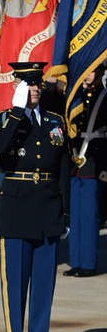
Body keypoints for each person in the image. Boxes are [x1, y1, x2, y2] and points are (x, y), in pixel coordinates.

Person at [0, 62, 70, 332]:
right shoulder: (3, 120)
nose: (35, 88)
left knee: (43, 287)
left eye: (37, 84)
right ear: (18, 87)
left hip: (48, 207)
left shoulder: (55, 122)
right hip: (16, 209)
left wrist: (66, 213)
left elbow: (63, 168)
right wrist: (18, 112)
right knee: (16, 286)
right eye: (28, 84)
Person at [66, 65, 107, 277]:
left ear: (101, 72)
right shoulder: (78, 96)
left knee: (90, 214)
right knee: (76, 216)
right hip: (77, 162)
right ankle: (76, 261)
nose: (89, 73)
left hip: (94, 162)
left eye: (94, 69)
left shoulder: (104, 97)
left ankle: (89, 264)